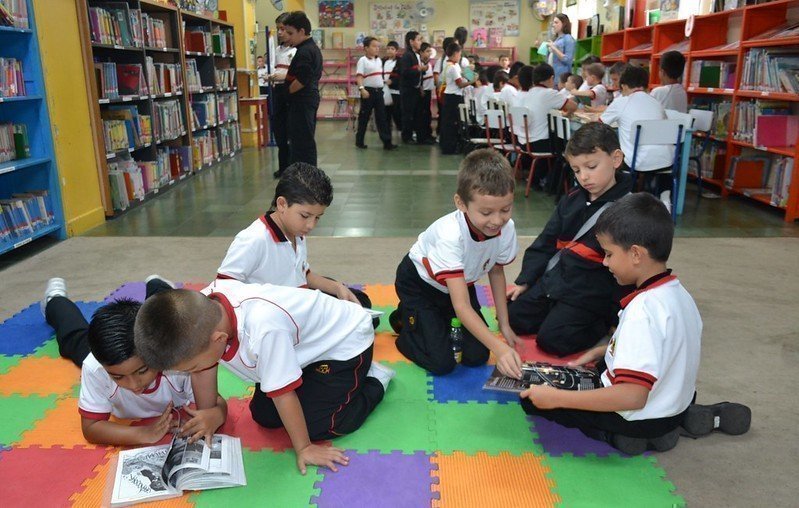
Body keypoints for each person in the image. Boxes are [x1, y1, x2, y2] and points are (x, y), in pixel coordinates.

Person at [522, 192, 750, 455]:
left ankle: (618, 435)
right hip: (676, 404)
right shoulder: (678, 293)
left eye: (608, 254)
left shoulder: (642, 310)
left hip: (638, 416)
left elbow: (633, 396)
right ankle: (674, 423)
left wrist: (557, 398)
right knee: (595, 372)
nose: (605, 263)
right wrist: (605, 350)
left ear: (636, 254)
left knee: (534, 401)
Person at [133, 279, 393, 474]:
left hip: (343, 345)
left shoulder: (263, 329)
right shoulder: (200, 315)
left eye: (190, 368)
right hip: (299, 350)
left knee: (322, 426)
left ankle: (374, 378)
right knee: (265, 416)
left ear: (220, 339)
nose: (191, 373)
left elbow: (283, 393)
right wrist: (208, 413)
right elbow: (203, 368)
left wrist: (303, 448)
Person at [41, 278, 225, 446]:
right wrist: (142, 433)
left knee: (163, 311)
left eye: (143, 371)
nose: (134, 385)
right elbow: (91, 428)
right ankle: (55, 300)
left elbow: (217, 402)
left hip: (154, 333)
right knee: (73, 338)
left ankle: (156, 283)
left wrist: (216, 415)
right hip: (108, 352)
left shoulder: (179, 363)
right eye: (118, 377)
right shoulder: (97, 367)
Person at [389, 149, 522, 378]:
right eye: (486, 212)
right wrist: (499, 347)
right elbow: (461, 307)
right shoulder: (450, 235)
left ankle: (431, 323)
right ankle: (406, 321)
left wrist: (504, 324)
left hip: (461, 283)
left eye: (505, 209)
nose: (497, 220)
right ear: (461, 203)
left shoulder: (505, 229)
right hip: (420, 285)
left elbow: (497, 272)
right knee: (442, 363)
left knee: (477, 357)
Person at [507, 122, 632, 356]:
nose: (583, 177)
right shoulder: (572, 198)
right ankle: (556, 311)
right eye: (576, 170)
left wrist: (618, 313)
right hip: (556, 281)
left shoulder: (629, 208)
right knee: (512, 316)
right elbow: (546, 241)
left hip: (589, 293)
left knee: (553, 340)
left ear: (616, 159)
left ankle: (600, 323)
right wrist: (525, 280)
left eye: (591, 166)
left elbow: (632, 270)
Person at [216, 162, 377, 322]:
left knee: (360, 302)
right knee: (358, 325)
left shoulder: (296, 232)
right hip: (276, 315)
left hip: (299, 300)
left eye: (317, 218)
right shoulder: (253, 239)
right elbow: (223, 290)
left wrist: (337, 287)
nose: (311, 225)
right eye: (305, 216)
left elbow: (303, 274)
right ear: (282, 204)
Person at [600, 65, 673, 204]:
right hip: (666, 161)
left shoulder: (621, 102)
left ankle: (626, 196)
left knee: (613, 156)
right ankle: (665, 196)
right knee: (657, 160)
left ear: (624, 86)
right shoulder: (657, 103)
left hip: (636, 162)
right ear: (645, 86)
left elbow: (600, 125)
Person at [284, 11, 323, 167]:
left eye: (290, 33)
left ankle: (307, 176)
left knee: (302, 142)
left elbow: (303, 78)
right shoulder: (309, 48)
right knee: (302, 140)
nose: (287, 36)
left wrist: (287, 92)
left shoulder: (306, 51)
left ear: (301, 31)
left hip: (302, 101)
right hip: (307, 100)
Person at [510, 64, 577, 153]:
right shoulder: (549, 93)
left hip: (523, 142)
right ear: (551, 78)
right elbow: (573, 106)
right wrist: (567, 114)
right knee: (570, 140)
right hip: (540, 144)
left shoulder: (528, 93)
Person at [355, 36, 396, 150]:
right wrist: (362, 89)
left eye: (378, 46)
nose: (377, 48)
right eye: (374, 46)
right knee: (364, 117)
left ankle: (387, 142)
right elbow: (359, 77)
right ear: (366, 48)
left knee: (382, 118)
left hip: (379, 92)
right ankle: (359, 141)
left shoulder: (378, 60)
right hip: (368, 92)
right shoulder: (362, 60)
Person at [268, 13, 297, 178]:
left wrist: (283, 76)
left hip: (290, 90)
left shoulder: (296, 50)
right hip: (277, 90)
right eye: (278, 28)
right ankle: (283, 166)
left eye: (283, 29)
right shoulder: (278, 50)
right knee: (279, 130)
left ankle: (293, 167)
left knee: (291, 130)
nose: (280, 32)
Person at [439, 43, 475, 154]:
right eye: (459, 53)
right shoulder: (453, 67)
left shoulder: (450, 64)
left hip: (450, 95)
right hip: (453, 97)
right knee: (452, 123)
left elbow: (464, 74)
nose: (460, 56)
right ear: (455, 53)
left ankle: (448, 145)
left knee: (448, 122)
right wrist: (472, 81)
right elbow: (460, 84)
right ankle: (449, 148)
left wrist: (470, 72)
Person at [399, 31, 427, 144]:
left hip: (415, 88)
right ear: (411, 42)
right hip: (408, 90)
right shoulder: (407, 55)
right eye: (418, 39)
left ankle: (413, 134)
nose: (420, 42)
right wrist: (419, 69)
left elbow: (418, 73)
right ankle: (406, 137)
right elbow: (404, 72)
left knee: (415, 113)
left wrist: (420, 86)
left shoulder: (416, 55)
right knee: (408, 114)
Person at [546, 14, 576, 81]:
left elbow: (568, 60)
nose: (553, 25)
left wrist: (554, 48)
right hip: (552, 76)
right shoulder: (556, 39)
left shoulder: (568, 38)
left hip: (561, 77)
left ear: (564, 24)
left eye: (556, 22)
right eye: (553, 23)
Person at [417, 42, 436, 144]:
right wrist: (421, 89)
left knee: (427, 114)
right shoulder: (419, 64)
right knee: (422, 116)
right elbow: (418, 78)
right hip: (422, 92)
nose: (429, 53)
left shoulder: (428, 63)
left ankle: (428, 135)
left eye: (430, 51)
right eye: (427, 51)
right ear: (421, 52)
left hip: (428, 91)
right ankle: (422, 137)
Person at [383, 41, 402, 133]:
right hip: (385, 90)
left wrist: (393, 81)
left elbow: (402, 76)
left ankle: (400, 128)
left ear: (396, 51)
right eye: (388, 48)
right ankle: (387, 129)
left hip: (396, 91)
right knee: (386, 111)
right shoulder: (383, 61)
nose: (390, 51)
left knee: (397, 112)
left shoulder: (400, 62)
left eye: (392, 49)